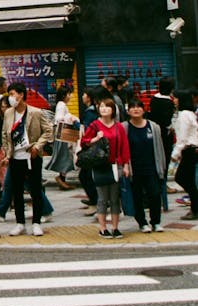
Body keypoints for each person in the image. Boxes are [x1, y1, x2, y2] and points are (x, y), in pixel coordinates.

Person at [1, 81, 53, 237]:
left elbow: (48, 131)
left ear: (21, 94)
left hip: (33, 156)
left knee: (36, 190)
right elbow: (5, 134)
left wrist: (38, 146)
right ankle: (20, 223)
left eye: (12, 94)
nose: (10, 97)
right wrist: (7, 155)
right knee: (16, 191)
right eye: (9, 94)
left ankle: (36, 222)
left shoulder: (35, 112)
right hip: (16, 158)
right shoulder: (9, 113)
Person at [81, 94, 131, 237]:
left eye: (106, 106)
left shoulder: (119, 127)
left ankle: (115, 227)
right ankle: (102, 228)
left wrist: (126, 165)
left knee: (115, 198)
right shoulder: (95, 125)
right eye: (101, 106)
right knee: (102, 198)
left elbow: (124, 147)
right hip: (100, 166)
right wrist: (96, 138)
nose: (103, 109)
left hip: (115, 165)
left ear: (113, 109)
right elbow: (84, 142)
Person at [125, 97, 166, 232]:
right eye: (133, 107)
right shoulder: (124, 127)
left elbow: (159, 147)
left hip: (151, 167)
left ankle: (156, 222)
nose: (136, 109)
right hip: (134, 169)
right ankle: (142, 223)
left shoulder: (153, 127)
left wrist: (162, 166)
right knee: (137, 197)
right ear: (128, 111)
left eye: (139, 107)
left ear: (144, 110)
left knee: (154, 194)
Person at [171, 91, 198, 219]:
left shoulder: (184, 115)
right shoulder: (189, 114)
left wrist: (175, 154)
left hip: (189, 149)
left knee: (182, 178)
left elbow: (182, 137)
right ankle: (195, 207)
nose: (174, 100)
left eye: (175, 98)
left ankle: (195, 207)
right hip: (191, 149)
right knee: (189, 180)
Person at [48, 85, 79, 188]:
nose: (70, 96)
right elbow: (59, 119)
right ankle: (61, 178)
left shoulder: (62, 105)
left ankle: (62, 178)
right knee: (65, 156)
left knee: (65, 156)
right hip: (63, 134)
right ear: (64, 95)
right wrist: (71, 118)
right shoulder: (61, 105)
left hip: (63, 133)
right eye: (69, 94)